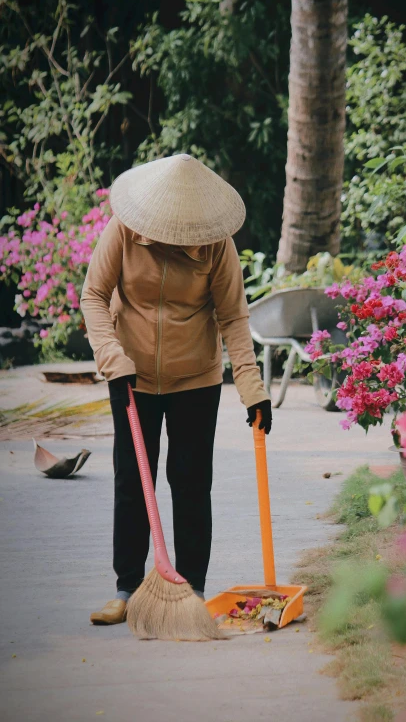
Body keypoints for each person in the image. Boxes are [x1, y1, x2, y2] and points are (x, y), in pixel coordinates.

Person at [81, 153, 272, 625]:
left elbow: (233, 317)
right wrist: (112, 357)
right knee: (131, 482)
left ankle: (192, 587)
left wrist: (251, 388)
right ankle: (127, 587)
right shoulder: (124, 230)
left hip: (196, 379)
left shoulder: (216, 244)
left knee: (189, 482)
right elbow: (93, 295)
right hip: (131, 376)